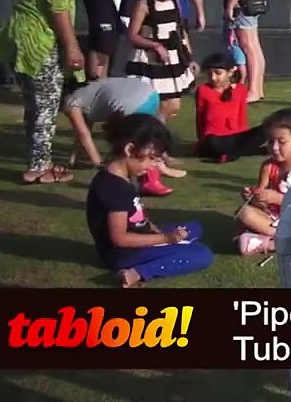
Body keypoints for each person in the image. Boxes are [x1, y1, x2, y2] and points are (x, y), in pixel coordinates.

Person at [0, 0, 105, 184]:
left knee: (36, 105)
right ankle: (39, 168)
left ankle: (39, 161)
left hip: (21, 34)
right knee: (46, 105)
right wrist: (72, 47)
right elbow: (58, 7)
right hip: (38, 39)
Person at [85, 114, 214, 288]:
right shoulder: (114, 187)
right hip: (124, 254)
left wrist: (155, 231)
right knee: (202, 254)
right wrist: (165, 238)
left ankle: (170, 247)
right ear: (130, 149)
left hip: (139, 237)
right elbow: (119, 239)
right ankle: (137, 273)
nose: (154, 165)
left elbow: (137, 216)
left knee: (195, 227)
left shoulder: (123, 175)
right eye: (152, 158)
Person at [235, 108, 291, 256]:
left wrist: (278, 198)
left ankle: (278, 242)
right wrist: (253, 197)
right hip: (273, 219)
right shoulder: (268, 166)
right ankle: (276, 242)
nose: (274, 147)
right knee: (244, 213)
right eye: (271, 141)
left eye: (281, 142)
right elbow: (261, 203)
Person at [125, 0, 197, 121]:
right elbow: (132, 36)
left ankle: (156, 129)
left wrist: (189, 58)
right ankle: (150, 130)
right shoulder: (143, 5)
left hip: (172, 59)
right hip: (150, 61)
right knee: (151, 103)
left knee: (173, 104)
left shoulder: (175, 2)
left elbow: (181, 32)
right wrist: (156, 45)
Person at [194, 52, 268, 163]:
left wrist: (245, 137)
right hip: (215, 139)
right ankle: (245, 151)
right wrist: (200, 143)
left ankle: (234, 153)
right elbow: (200, 118)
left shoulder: (240, 90)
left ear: (230, 72)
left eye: (218, 73)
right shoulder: (203, 90)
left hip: (236, 137)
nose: (213, 78)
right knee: (213, 142)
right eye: (210, 74)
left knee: (268, 128)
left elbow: (242, 117)